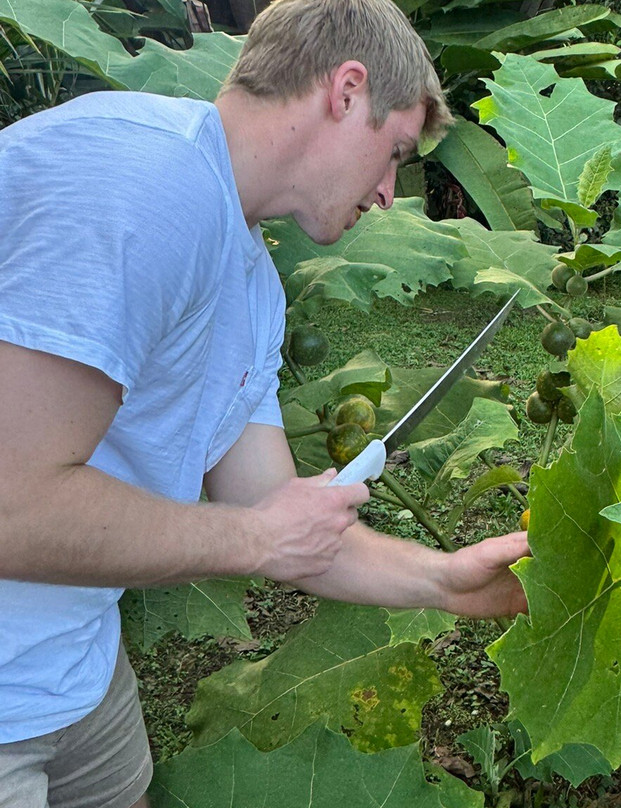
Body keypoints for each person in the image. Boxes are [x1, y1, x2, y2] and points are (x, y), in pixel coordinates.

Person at [0, 1, 530, 806]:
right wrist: (254, 539)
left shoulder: (250, 282)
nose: (389, 192)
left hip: (71, 665)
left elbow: (279, 513)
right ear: (346, 91)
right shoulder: (146, 182)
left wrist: (449, 583)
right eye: (394, 153)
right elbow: (12, 504)